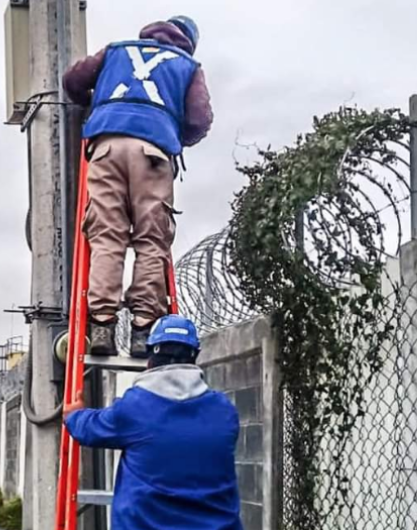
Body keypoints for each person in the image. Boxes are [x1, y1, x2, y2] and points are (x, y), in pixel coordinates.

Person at [62, 16, 213, 357]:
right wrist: (173, 137)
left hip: (105, 147)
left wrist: (100, 103)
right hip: (154, 153)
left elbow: (73, 80)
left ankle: (102, 325)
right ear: (189, 41)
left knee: (106, 236)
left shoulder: (117, 51)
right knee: (151, 239)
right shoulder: (188, 66)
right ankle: (143, 329)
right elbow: (199, 119)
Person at [64, 315, 242, 530]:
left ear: (151, 357)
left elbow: (89, 429)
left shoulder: (135, 408)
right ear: (195, 355)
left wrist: (73, 415)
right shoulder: (224, 411)